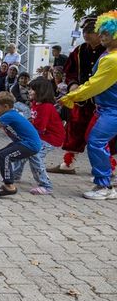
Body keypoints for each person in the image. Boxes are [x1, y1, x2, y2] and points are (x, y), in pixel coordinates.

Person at [59, 11, 117, 200]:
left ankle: (104, 186)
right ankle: (105, 180)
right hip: (103, 108)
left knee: (96, 142)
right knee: (93, 139)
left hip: (112, 109)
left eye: (106, 34)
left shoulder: (112, 59)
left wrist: (71, 97)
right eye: (100, 33)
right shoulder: (106, 53)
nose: (101, 36)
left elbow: (95, 84)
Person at [11, 78, 65, 195]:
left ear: (41, 92)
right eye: (29, 89)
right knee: (23, 149)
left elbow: (39, 128)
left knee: (34, 154)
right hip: (41, 136)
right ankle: (15, 175)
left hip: (51, 139)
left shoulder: (45, 107)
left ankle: (46, 185)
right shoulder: (36, 104)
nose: (29, 91)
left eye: (32, 90)